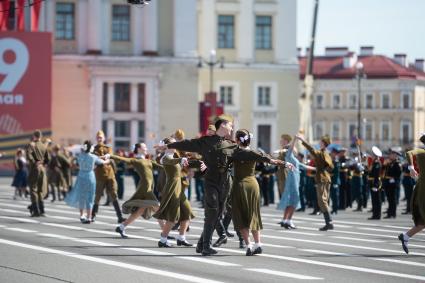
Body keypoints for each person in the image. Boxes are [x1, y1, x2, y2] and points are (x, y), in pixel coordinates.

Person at [155, 115, 237, 256]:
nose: (232, 127)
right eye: (230, 124)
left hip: (221, 184)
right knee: (210, 213)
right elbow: (186, 144)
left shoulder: (229, 143)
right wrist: (169, 146)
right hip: (203, 183)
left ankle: (197, 243)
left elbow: (241, 155)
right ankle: (204, 245)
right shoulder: (202, 143)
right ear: (222, 125)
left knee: (211, 214)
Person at [232, 129, 290, 255]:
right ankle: (258, 243)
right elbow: (271, 161)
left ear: (237, 140)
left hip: (238, 185)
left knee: (241, 215)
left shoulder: (234, 153)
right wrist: (285, 163)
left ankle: (248, 245)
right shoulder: (254, 153)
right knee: (254, 214)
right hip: (252, 184)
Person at [154, 137, 204, 247]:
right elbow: (170, 161)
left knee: (187, 212)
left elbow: (188, 163)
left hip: (179, 187)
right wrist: (180, 160)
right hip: (172, 188)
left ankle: (181, 238)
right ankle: (163, 240)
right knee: (173, 216)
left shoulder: (175, 156)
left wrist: (202, 163)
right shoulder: (164, 157)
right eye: (173, 143)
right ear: (167, 145)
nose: (176, 144)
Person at [109, 143, 161, 238]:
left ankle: (121, 227)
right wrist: (110, 155)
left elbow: (162, 167)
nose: (146, 148)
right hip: (145, 189)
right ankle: (165, 232)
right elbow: (123, 159)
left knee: (140, 210)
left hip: (149, 188)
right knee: (158, 207)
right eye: (144, 147)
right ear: (138, 149)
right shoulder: (136, 160)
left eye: (146, 146)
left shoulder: (148, 160)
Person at [296, 134, 335, 231]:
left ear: (323, 143)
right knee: (323, 201)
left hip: (321, 178)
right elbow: (331, 167)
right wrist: (321, 168)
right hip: (326, 178)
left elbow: (312, 150)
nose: (319, 143)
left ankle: (329, 222)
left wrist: (303, 140)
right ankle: (328, 222)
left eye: (321, 142)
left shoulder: (322, 153)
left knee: (322, 201)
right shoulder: (327, 153)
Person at [65, 141, 108, 223]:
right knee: (90, 197)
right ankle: (89, 217)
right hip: (90, 176)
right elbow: (102, 162)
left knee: (82, 196)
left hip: (81, 176)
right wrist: (107, 160)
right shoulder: (93, 157)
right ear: (90, 148)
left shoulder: (80, 156)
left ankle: (81, 215)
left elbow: (76, 163)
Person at [278, 135, 314, 228]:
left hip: (294, 182)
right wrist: (295, 139)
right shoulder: (289, 156)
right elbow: (290, 149)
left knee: (291, 202)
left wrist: (316, 169)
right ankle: (289, 220)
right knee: (295, 201)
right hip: (292, 182)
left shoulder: (294, 159)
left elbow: (304, 166)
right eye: (293, 148)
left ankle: (285, 220)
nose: (295, 149)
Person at [398, 133, 425, 254]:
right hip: (423, 188)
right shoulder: (422, 151)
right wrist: (411, 167)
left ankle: (405, 236)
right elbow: (409, 153)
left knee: (422, 222)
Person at [91, 130, 125, 223]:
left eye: (101, 137)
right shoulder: (93, 149)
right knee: (97, 196)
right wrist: (103, 159)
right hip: (99, 175)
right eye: (98, 137)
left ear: (104, 138)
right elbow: (94, 159)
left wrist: (102, 159)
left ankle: (120, 216)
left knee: (114, 195)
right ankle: (93, 215)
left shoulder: (108, 148)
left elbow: (109, 157)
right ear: (96, 138)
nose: (99, 139)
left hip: (110, 175)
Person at [25, 130, 49, 217]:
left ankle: (35, 211)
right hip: (42, 169)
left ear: (34, 136)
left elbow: (29, 156)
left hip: (35, 169)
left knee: (33, 189)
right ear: (40, 136)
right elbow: (48, 159)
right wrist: (43, 164)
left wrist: (34, 162)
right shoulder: (43, 146)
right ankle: (42, 210)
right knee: (40, 190)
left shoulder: (31, 144)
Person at [383, 148, 402, 219]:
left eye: (392, 155)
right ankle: (389, 213)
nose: (390, 156)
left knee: (392, 199)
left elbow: (398, 174)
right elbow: (384, 171)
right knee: (389, 199)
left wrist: (393, 179)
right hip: (388, 183)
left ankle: (392, 213)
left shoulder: (397, 163)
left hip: (393, 184)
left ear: (395, 156)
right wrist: (385, 165)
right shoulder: (389, 163)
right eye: (390, 154)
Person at [368, 146, 383, 220]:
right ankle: (374, 214)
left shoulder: (377, 163)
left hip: (375, 183)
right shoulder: (374, 163)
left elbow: (376, 175)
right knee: (374, 200)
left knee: (377, 200)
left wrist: (375, 185)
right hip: (372, 182)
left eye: (373, 155)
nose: (371, 156)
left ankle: (377, 215)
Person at [275, 134, 291, 199]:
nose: (280, 141)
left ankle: (287, 207)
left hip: (285, 173)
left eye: (282, 140)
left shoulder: (287, 149)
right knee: (282, 191)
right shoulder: (282, 150)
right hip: (281, 174)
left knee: (285, 192)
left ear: (286, 141)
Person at [330, 148, 341, 215]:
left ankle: (335, 209)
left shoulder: (336, 162)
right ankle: (333, 209)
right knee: (332, 196)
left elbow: (336, 173)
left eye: (332, 153)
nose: (331, 154)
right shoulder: (331, 161)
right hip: (331, 181)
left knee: (335, 196)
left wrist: (335, 183)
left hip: (335, 181)